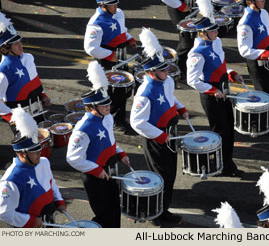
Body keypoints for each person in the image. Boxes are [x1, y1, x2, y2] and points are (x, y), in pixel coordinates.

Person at [130, 28, 189, 226]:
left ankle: (162, 209)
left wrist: (180, 108)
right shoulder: (144, 93)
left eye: (166, 68)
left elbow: (170, 97)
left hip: (170, 134)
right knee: (162, 177)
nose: (167, 71)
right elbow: (137, 122)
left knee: (170, 175)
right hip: (157, 139)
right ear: (150, 72)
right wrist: (160, 136)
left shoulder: (167, 80)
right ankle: (157, 214)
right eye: (162, 70)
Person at [66, 61, 130, 228]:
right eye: (104, 105)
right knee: (104, 215)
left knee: (115, 210)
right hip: (95, 175)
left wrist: (120, 153)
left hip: (110, 169)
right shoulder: (83, 128)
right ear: (92, 107)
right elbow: (73, 158)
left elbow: (109, 140)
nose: (108, 106)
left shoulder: (107, 117)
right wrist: (97, 170)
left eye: (108, 103)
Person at [186, 0, 244, 178]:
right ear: (203, 33)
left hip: (223, 87)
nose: (217, 32)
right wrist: (212, 91)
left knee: (229, 129)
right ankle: (221, 165)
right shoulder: (196, 53)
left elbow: (220, 64)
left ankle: (227, 162)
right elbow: (192, 80)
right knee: (221, 131)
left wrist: (230, 73)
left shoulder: (216, 42)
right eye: (213, 31)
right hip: (211, 93)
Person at [0, 106, 66, 228]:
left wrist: (59, 200)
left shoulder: (44, 162)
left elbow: (51, 183)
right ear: (21, 154)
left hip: (48, 220)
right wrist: (30, 221)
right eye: (34, 151)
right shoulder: (11, 180)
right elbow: (4, 212)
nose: (39, 153)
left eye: (39, 149)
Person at [84, 0, 137, 134]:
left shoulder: (118, 13)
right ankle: (106, 120)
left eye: (116, 3)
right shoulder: (95, 24)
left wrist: (129, 38)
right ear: (103, 6)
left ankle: (119, 119)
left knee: (123, 90)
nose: (116, 7)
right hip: (107, 61)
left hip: (120, 57)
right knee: (111, 93)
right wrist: (109, 55)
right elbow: (90, 48)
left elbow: (122, 30)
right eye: (112, 5)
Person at [0, 12, 51, 133]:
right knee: (29, 150)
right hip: (21, 119)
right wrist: (12, 117)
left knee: (43, 145)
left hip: (38, 111)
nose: (20, 46)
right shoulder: (3, 71)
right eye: (16, 44)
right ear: (4, 49)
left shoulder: (28, 58)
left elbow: (35, 79)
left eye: (20, 42)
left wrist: (43, 95)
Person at [156, 0, 194, 83]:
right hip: (176, 2)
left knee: (192, 37)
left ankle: (185, 67)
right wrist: (180, 5)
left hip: (190, 0)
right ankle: (177, 68)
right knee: (186, 40)